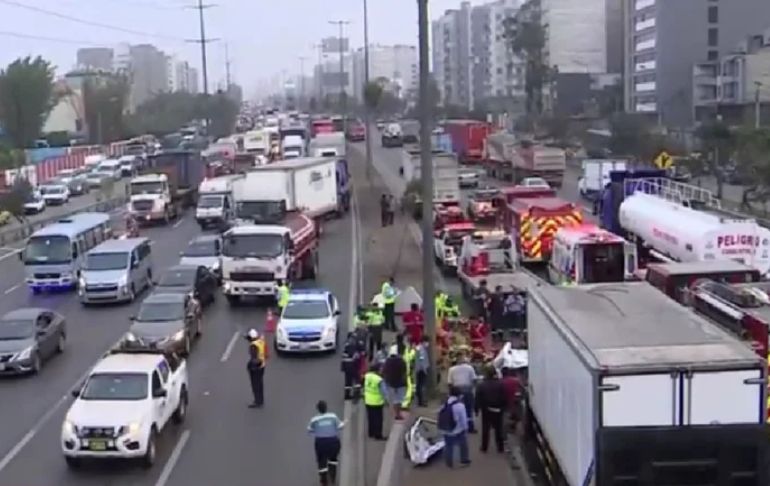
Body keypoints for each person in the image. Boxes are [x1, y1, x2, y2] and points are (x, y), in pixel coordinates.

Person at [307, 400, 344, 486]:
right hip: (333, 442)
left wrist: (317, 432)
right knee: (333, 459)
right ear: (326, 408)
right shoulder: (333, 416)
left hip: (321, 443)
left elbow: (309, 430)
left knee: (321, 460)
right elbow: (340, 426)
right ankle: (332, 477)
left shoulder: (314, 419)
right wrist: (344, 423)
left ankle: (324, 480)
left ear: (318, 409)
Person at [475, 365, 507, 453]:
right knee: (498, 429)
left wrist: (476, 409)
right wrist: (503, 407)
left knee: (485, 429)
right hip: (498, 409)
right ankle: (500, 447)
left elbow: (478, 398)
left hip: (486, 409)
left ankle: (484, 447)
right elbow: (503, 397)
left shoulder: (481, 385)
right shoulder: (500, 384)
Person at [438, 386, 471, 468]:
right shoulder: (460, 405)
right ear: (459, 395)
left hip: (446, 428)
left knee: (448, 445)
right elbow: (463, 419)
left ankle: (449, 462)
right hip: (457, 429)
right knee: (463, 445)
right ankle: (464, 460)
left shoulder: (445, 403)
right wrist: (466, 428)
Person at [447, 353, 477, 433]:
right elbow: (474, 380)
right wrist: (473, 389)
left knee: (456, 410)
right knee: (469, 410)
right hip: (467, 389)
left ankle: (458, 427)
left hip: (456, 390)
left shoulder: (452, 369)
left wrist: (450, 393)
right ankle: (470, 427)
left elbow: (450, 383)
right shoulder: (469, 368)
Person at [382, 345, 408, 420]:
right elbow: (404, 373)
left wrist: (386, 380)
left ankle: (396, 413)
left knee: (395, 399)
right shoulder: (402, 361)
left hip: (391, 382)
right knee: (399, 399)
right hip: (400, 384)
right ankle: (398, 414)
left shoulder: (388, 361)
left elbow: (384, 371)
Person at [363, 363, 388, 440]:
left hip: (368, 400)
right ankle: (378, 435)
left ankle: (371, 433)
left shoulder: (367, 376)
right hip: (377, 402)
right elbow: (384, 392)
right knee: (378, 420)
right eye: (380, 369)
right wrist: (387, 401)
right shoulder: (379, 380)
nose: (382, 370)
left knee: (370, 418)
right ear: (377, 370)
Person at [246, 329, 267, 408]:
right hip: (262, 365)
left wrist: (252, 367)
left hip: (256, 367)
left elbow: (254, 357)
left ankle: (257, 401)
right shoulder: (260, 341)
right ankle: (260, 400)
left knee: (256, 385)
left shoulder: (253, 346)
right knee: (260, 384)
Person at [500, 367, 522, 432]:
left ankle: (505, 432)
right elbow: (521, 390)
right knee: (516, 416)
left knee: (505, 417)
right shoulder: (516, 381)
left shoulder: (501, 382)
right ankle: (513, 426)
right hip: (515, 402)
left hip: (505, 403)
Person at [341, 333, 362, 400]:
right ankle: (357, 394)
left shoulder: (345, 344)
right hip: (351, 364)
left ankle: (347, 395)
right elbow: (354, 355)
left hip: (345, 365)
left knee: (348, 381)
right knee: (357, 379)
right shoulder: (351, 345)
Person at [414, 335, 430, 407]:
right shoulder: (421, 349)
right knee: (422, 386)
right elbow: (422, 360)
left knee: (418, 385)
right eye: (427, 342)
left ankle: (420, 401)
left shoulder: (418, 348)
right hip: (421, 370)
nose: (428, 344)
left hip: (418, 369)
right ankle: (422, 401)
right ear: (424, 342)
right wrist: (424, 370)